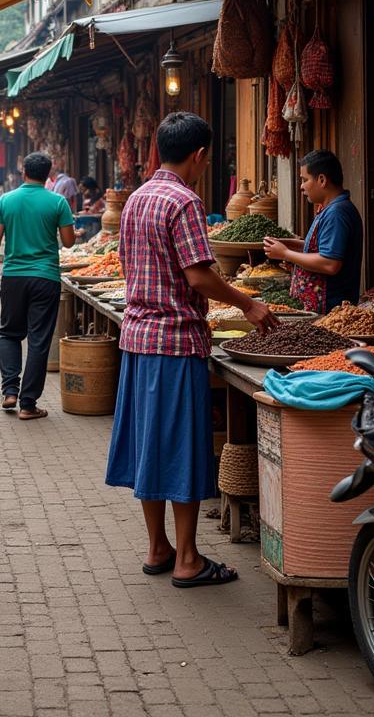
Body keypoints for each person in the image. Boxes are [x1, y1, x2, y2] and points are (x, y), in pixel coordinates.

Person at [106, 112, 276, 588]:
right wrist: (251, 305)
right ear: (200, 155)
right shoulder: (185, 202)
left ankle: (158, 547)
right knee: (180, 448)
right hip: (176, 343)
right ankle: (188, 560)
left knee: (149, 446)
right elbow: (199, 275)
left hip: (137, 340)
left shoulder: (137, 199)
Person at [0, 152, 75, 420]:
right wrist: (68, 229)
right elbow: (68, 242)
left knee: (10, 333)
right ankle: (28, 404)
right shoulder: (58, 201)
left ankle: (9, 390)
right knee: (38, 341)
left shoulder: (6, 200)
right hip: (45, 278)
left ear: (23, 172)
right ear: (49, 175)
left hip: (13, 276)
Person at [264, 149, 363, 314]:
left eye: (304, 180)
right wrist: (287, 244)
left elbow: (330, 263)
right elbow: (319, 249)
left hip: (329, 311)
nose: (301, 186)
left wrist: (285, 253)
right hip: (319, 310)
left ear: (322, 180)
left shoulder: (336, 213)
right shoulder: (329, 209)